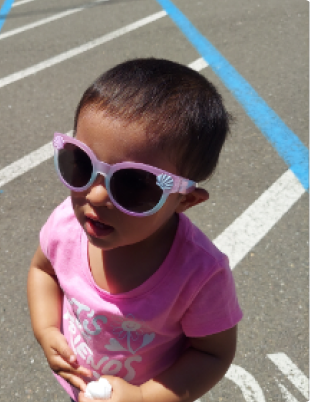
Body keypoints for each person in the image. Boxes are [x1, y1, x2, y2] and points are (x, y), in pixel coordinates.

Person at [27, 58, 242, 402]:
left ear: (186, 200)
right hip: (82, 388)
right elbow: (44, 270)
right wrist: (47, 329)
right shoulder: (66, 224)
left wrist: (143, 397)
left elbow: (212, 353)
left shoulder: (200, 274)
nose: (96, 195)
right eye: (81, 162)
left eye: (134, 184)